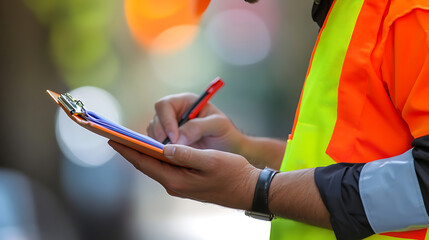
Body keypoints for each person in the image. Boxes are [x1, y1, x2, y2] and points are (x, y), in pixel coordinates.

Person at [109, 0, 429, 239]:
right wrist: (241, 147)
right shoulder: (353, 12)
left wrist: (256, 189)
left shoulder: (408, 10)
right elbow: (351, 160)